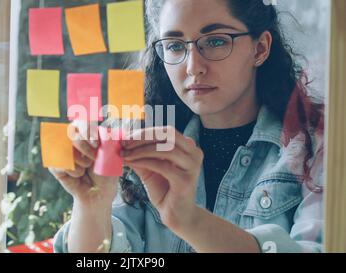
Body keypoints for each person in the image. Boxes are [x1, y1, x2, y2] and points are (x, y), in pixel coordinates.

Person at [51, 0, 325, 253]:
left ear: (260, 48)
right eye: (174, 45)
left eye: (216, 41)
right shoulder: (141, 139)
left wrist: (189, 220)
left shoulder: (318, 145)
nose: (193, 67)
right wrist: (91, 205)